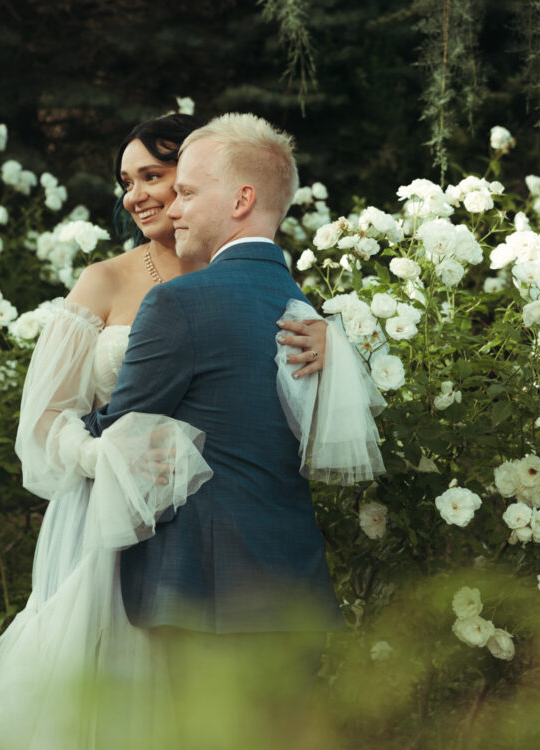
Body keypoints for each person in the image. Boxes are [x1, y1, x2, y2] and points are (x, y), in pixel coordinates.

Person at [0, 114, 335, 750]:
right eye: (126, 182)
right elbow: (44, 419)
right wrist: (102, 453)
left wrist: (335, 344)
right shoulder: (106, 280)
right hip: (117, 526)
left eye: (157, 178)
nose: (137, 195)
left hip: (214, 553)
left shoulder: (258, 283)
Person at [80, 112, 383, 743]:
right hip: (295, 592)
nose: (173, 207)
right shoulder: (309, 313)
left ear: (242, 200)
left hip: (205, 594)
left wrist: (65, 422)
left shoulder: (178, 302)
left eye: (188, 192)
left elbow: (119, 431)